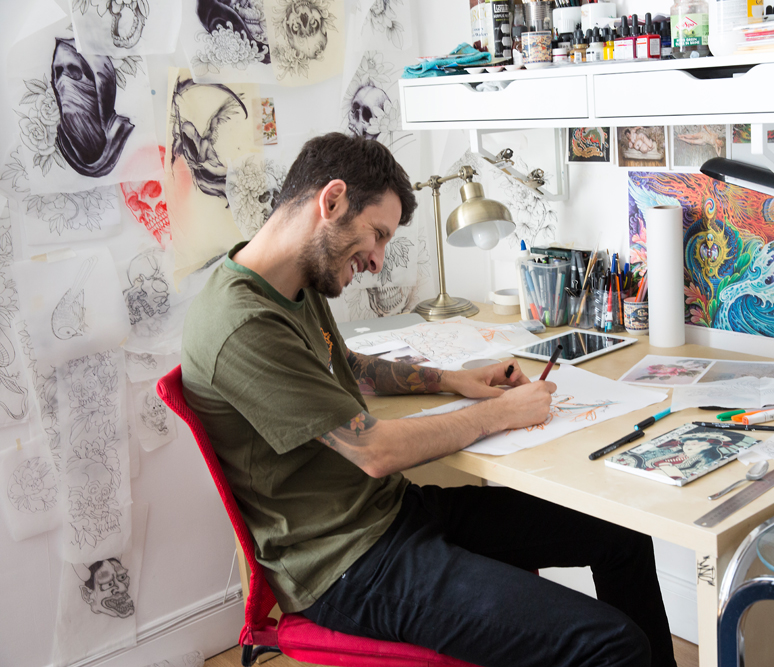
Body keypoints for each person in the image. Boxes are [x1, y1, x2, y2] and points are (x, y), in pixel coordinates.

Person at [181, 133, 676, 667]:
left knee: (622, 536)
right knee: (614, 645)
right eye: (378, 235)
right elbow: (375, 451)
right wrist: (500, 413)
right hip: (345, 565)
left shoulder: (289, 284)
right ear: (332, 201)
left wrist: (453, 380)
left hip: (391, 513)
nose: (377, 260)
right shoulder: (243, 324)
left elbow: (349, 366)